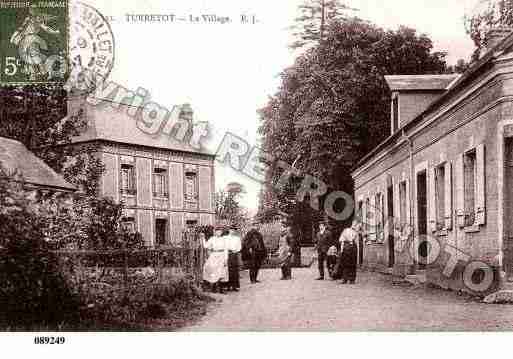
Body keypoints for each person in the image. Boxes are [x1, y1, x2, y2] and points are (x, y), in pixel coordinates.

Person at [203, 225, 229, 293]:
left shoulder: (224, 239)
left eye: (220, 231)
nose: (219, 233)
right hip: (214, 255)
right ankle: (213, 288)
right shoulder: (212, 239)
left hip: (221, 256)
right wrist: (202, 238)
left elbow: (226, 249)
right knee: (213, 270)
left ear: (222, 232)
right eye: (217, 231)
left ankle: (221, 289)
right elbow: (206, 246)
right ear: (215, 232)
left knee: (221, 272)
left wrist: (226, 259)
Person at [225, 224, 242, 291]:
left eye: (233, 230)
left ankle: (234, 286)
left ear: (235, 231)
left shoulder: (237, 238)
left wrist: (236, 250)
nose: (232, 231)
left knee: (235, 270)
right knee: (228, 270)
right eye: (231, 230)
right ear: (229, 230)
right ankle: (228, 286)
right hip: (227, 254)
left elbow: (239, 247)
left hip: (234, 255)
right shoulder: (225, 238)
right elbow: (224, 246)